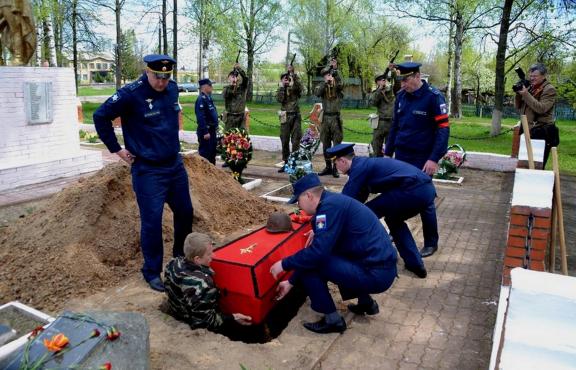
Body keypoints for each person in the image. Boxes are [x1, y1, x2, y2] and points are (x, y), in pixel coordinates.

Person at [93, 54, 194, 292]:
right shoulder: (130, 94)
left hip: (174, 165)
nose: (162, 82)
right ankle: (151, 271)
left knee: (185, 212)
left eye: (166, 77)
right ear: (147, 71)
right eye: (158, 77)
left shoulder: (172, 89)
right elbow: (100, 116)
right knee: (152, 221)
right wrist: (117, 149)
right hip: (148, 170)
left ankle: (179, 258)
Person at [270, 173, 398, 334]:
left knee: (312, 266)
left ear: (309, 196)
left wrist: (284, 264)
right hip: (381, 268)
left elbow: (317, 254)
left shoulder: (328, 209)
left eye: (298, 201)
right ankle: (366, 303)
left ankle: (333, 320)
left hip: (376, 274)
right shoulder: (333, 201)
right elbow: (330, 235)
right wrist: (291, 281)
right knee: (332, 257)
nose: (299, 206)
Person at [328, 143, 433, 278]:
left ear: (342, 161)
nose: (336, 167)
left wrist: (329, 218)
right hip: (425, 191)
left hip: (412, 190)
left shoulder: (358, 168)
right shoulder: (362, 165)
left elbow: (346, 201)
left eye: (336, 163)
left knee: (365, 214)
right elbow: (358, 197)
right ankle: (415, 264)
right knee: (393, 220)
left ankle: (369, 256)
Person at [384, 61, 448, 258]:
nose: (402, 85)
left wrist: (434, 158)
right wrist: (388, 153)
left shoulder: (433, 97)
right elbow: (395, 127)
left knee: (425, 201)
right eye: (401, 81)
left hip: (423, 159)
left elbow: (443, 130)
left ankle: (431, 242)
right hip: (402, 156)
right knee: (397, 195)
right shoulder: (401, 97)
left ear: (417, 77)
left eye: (406, 81)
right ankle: (397, 230)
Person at [164, 232, 252, 331]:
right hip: (189, 320)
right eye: (209, 254)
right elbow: (204, 322)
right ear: (197, 259)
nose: (213, 256)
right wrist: (233, 318)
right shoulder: (202, 283)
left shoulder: (172, 263)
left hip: (178, 310)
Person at [514, 62, 558, 168]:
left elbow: (541, 108)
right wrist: (518, 94)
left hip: (541, 131)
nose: (532, 78)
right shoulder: (530, 87)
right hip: (528, 130)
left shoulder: (549, 89)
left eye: (535, 76)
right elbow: (518, 106)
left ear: (543, 76)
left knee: (538, 164)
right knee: (525, 162)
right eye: (531, 76)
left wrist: (526, 94)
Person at [315, 58, 344, 178]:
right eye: (326, 75)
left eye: (329, 75)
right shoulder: (321, 86)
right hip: (326, 118)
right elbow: (317, 93)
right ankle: (327, 166)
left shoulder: (337, 86)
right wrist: (325, 83)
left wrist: (335, 71)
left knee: (336, 144)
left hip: (336, 118)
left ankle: (335, 168)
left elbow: (341, 84)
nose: (328, 77)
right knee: (326, 143)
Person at [276, 65, 303, 172]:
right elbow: (280, 99)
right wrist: (283, 87)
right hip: (284, 114)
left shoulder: (295, 88)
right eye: (284, 78)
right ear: (282, 80)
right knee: (284, 139)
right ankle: (286, 162)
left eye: (288, 78)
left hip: (295, 114)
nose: (286, 80)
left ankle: (294, 163)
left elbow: (300, 88)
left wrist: (293, 75)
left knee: (296, 139)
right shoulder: (280, 89)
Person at [369, 71, 395, 157]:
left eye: (384, 79)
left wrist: (393, 71)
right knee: (377, 148)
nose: (383, 81)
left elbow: (397, 82)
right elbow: (373, 103)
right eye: (380, 80)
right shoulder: (376, 92)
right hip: (379, 123)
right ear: (377, 82)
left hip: (391, 123)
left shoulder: (392, 91)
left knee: (389, 150)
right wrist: (380, 89)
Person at [195, 78, 218, 164]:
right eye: (210, 85)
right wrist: (205, 132)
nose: (212, 87)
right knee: (205, 156)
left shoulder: (208, 98)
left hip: (211, 131)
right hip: (206, 132)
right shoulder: (201, 99)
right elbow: (200, 117)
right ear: (204, 87)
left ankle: (212, 175)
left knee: (212, 155)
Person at [222, 62, 248, 131]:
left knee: (242, 138)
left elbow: (245, 79)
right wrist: (232, 85)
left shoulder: (242, 88)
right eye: (232, 77)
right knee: (229, 138)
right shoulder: (226, 89)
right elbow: (227, 94)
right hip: (230, 118)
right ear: (228, 79)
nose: (234, 78)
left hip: (241, 119)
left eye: (235, 77)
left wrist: (239, 69)